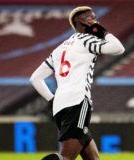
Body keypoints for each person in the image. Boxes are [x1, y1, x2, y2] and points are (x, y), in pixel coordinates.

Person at [30, 6, 124, 160]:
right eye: (92, 18)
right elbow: (119, 48)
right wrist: (102, 30)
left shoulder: (59, 49)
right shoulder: (87, 40)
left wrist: (52, 100)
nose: (96, 21)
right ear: (83, 22)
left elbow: (35, 78)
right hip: (78, 102)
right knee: (66, 157)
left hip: (60, 107)